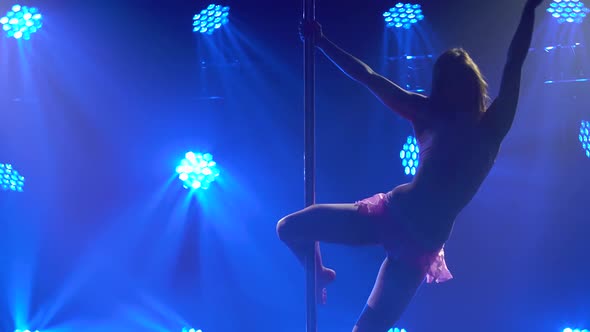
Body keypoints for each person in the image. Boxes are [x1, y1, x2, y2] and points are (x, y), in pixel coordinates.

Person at [276, 0, 544, 330]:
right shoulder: (431, 114)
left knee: (366, 328)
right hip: (390, 217)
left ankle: (318, 274)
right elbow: (368, 77)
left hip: (419, 247)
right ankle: (318, 274)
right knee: (289, 228)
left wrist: (529, 11)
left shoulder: (491, 125)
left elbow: (514, 64)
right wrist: (322, 42)